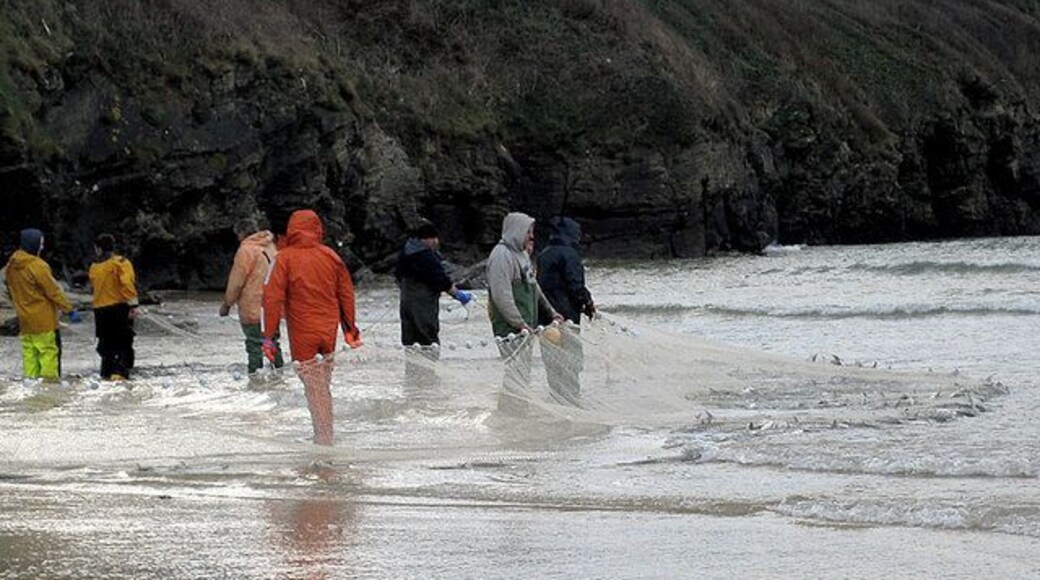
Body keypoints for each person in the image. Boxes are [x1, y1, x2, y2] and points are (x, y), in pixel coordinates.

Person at [262, 210, 361, 446]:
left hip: (302, 330)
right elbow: (346, 295)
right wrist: (350, 330)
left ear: (292, 229)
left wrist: (268, 337)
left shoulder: (283, 258)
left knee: (312, 385)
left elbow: (272, 299)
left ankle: (323, 437)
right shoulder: (331, 256)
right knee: (323, 383)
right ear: (317, 228)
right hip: (328, 331)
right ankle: (324, 432)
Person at [486, 212, 562, 413]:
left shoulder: (521, 254)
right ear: (516, 230)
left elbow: (534, 287)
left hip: (525, 325)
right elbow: (502, 295)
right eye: (528, 232)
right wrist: (518, 322)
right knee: (515, 373)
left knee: (522, 372)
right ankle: (510, 413)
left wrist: (551, 312)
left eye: (532, 231)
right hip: (510, 328)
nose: (531, 236)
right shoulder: (501, 256)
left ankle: (517, 414)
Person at [536, 217, 596, 406]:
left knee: (553, 363)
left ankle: (557, 401)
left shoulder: (544, 254)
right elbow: (575, 286)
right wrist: (588, 302)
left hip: (546, 319)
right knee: (571, 361)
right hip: (567, 317)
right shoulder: (569, 254)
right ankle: (572, 403)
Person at [4, 228, 77, 380]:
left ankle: (31, 387)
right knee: (49, 354)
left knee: (30, 356)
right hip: (44, 321)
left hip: (25, 321)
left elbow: (12, 291)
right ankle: (49, 388)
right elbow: (53, 291)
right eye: (40, 243)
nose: (42, 247)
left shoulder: (11, 266)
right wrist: (69, 309)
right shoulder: (38, 265)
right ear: (33, 244)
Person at [219, 217, 284, 375]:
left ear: (242, 233)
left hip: (252, 307)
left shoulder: (246, 250)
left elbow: (237, 282)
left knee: (254, 345)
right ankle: (280, 376)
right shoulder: (271, 247)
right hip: (272, 307)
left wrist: (227, 304)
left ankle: (255, 379)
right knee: (272, 342)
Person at [395, 221, 473, 348]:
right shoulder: (425, 256)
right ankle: (428, 361)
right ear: (424, 239)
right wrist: (458, 295)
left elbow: (398, 275)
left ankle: (411, 361)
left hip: (406, 302)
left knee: (410, 341)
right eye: (433, 238)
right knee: (427, 341)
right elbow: (441, 280)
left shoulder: (406, 251)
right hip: (423, 306)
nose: (436, 241)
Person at [89, 233, 138, 380]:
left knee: (106, 346)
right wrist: (134, 305)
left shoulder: (94, 267)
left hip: (100, 311)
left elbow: (93, 288)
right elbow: (127, 284)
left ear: (98, 249)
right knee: (123, 344)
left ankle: (106, 374)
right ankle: (120, 375)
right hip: (119, 309)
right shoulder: (121, 262)